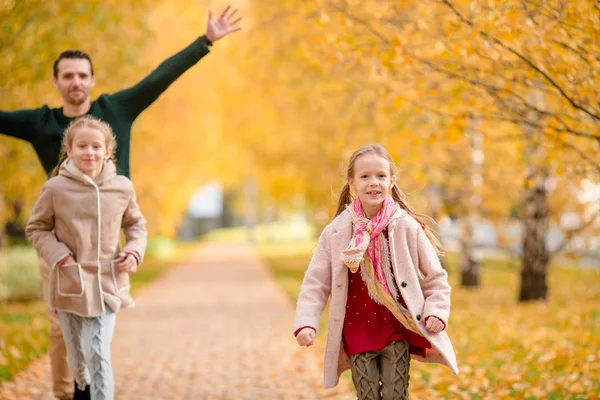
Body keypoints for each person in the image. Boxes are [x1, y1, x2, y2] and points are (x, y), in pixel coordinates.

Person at [1, 6, 241, 399]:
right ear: (57, 82)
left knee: (98, 330)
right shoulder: (40, 123)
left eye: (82, 75)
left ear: (92, 80)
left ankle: (96, 389)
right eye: (68, 76)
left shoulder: (116, 110)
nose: (75, 82)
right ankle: (70, 394)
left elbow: (159, 78)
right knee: (60, 327)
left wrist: (205, 42)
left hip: (107, 245)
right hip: (60, 246)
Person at [293, 144, 459, 399]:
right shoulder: (336, 232)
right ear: (352, 182)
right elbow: (316, 282)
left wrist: (436, 310)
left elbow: (436, 279)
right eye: (365, 176)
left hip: (396, 325)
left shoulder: (406, 227)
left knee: (395, 393)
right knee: (368, 395)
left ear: (391, 181)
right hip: (356, 328)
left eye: (381, 176)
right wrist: (306, 322)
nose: (374, 183)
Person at [25, 116, 147, 400]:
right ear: (69, 150)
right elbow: (36, 228)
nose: (89, 152)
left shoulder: (122, 187)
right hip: (69, 282)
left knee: (98, 351)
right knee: (78, 358)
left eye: (96, 146)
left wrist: (134, 251)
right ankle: (82, 383)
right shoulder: (55, 188)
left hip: (108, 281)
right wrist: (60, 257)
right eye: (82, 146)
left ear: (107, 151)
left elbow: (136, 225)